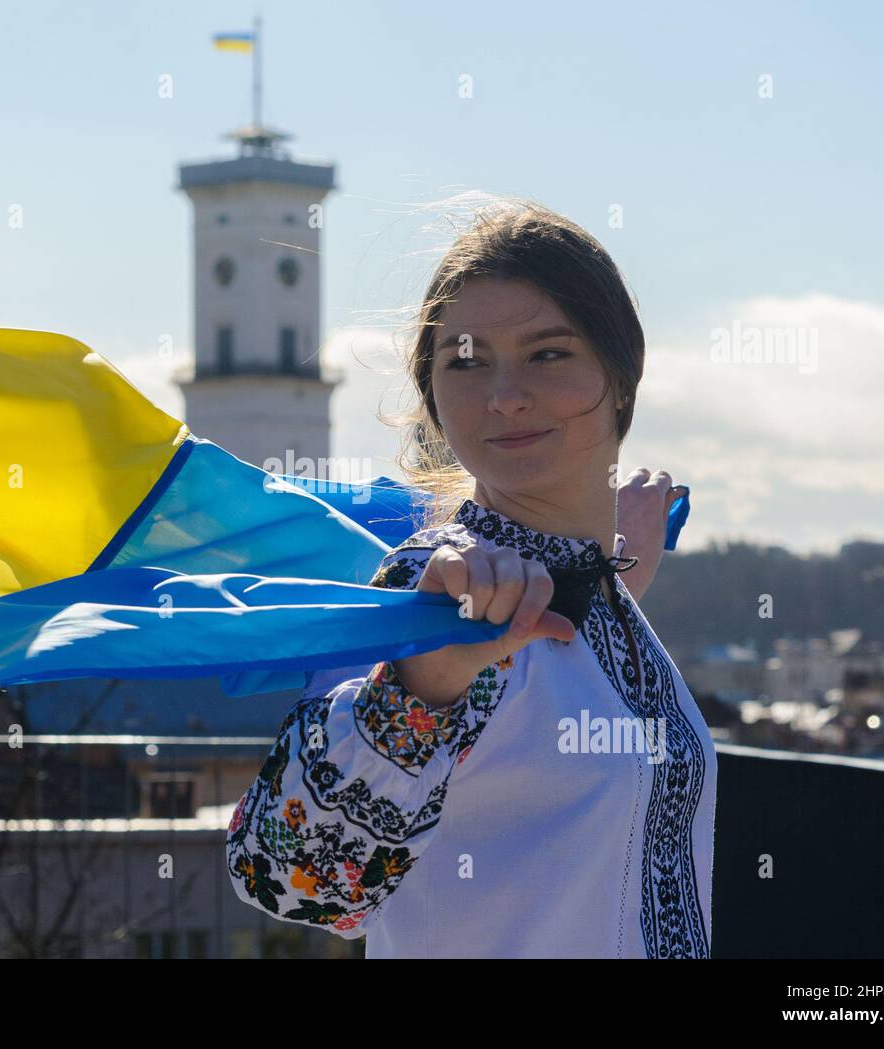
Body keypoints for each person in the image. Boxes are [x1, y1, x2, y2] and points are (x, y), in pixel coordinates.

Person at [225, 198, 716, 958]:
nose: (503, 395)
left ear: (621, 376)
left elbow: (531, 742)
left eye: (547, 353)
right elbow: (291, 880)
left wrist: (612, 572)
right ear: (432, 395)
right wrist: (419, 687)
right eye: (465, 360)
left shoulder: (586, 593)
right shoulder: (445, 587)